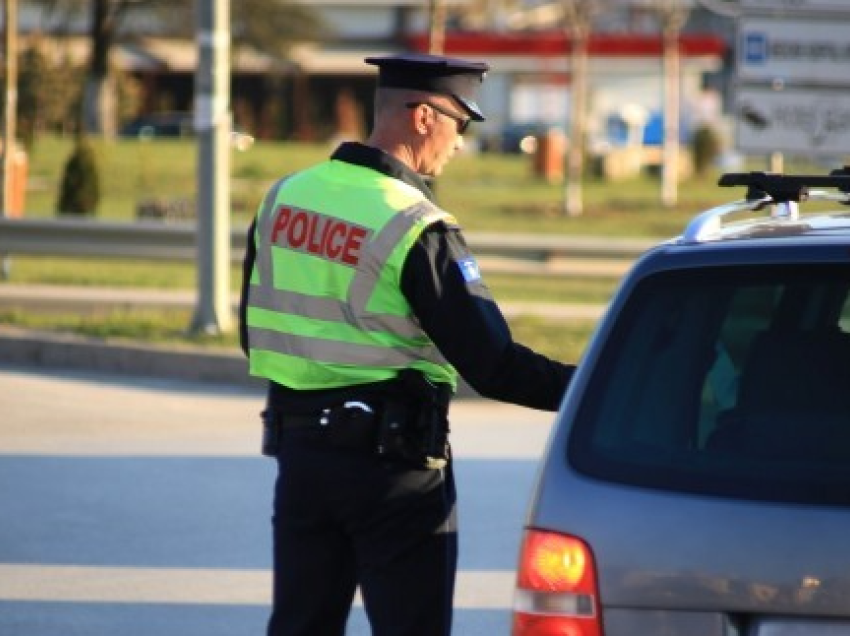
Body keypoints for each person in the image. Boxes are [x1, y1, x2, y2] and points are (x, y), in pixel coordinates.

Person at [238, 52, 575, 636]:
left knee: (301, 625)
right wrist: (594, 388)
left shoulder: (284, 198)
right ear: (423, 118)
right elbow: (493, 365)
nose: (460, 143)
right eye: (460, 124)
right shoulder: (414, 223)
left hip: (301, 461)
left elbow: (255, 331)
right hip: (391, 470)